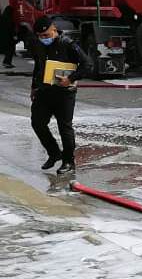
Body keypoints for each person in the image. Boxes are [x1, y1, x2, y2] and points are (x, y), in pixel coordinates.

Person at [26, 16, 93, 174]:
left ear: (54, 30)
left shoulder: (67, 44)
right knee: (37, 123)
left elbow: (87, 64)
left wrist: (70, 79)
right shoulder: (39, 45)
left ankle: (69, 162)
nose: (44, 39)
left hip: (64, 93)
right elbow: (38, 66)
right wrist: (34, 87)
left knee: (65, 127)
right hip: (44, 91)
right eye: (40, 36)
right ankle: (54, 153)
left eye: (47, 35)